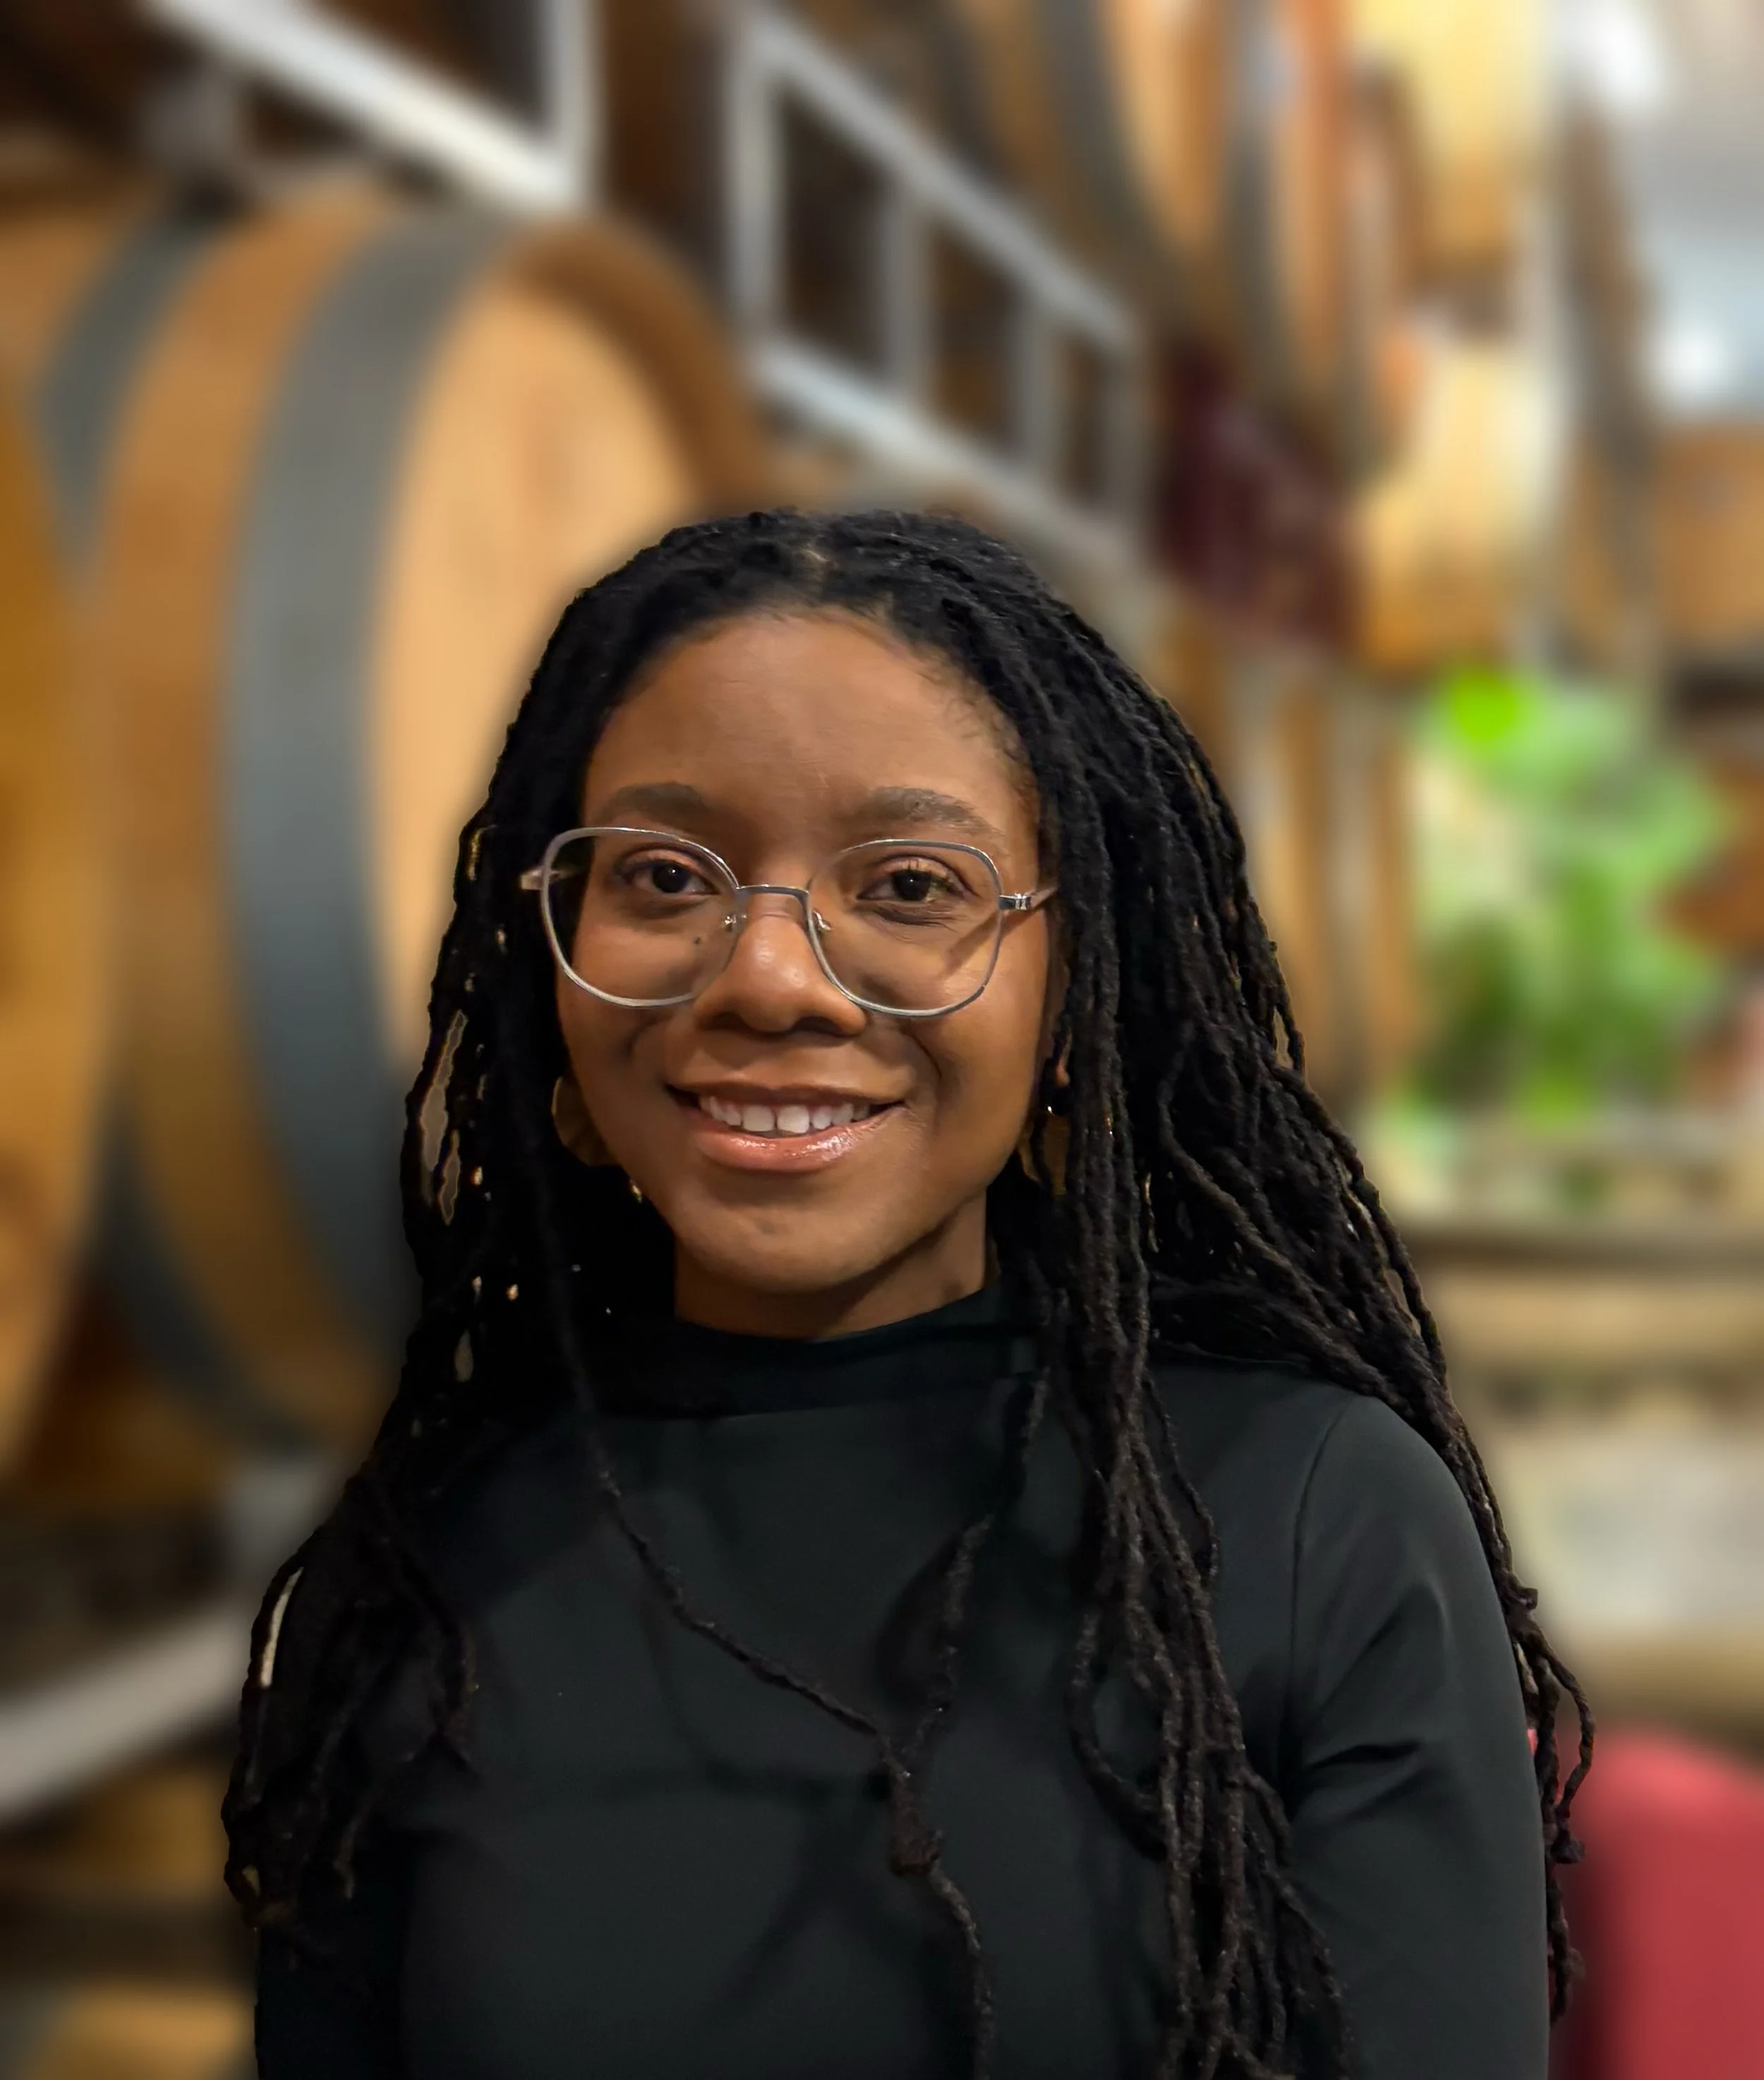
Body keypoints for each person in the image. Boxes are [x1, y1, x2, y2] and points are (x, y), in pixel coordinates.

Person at [226, 508, 1590, 2080]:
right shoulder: (417, 1573)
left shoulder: (1316, 1522)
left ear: (1072, 993)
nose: (768, 976)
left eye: (913, 885)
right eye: (665, 875)